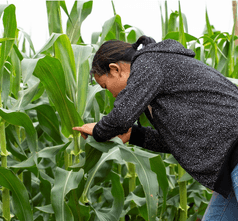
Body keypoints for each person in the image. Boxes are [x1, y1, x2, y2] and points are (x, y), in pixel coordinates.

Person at [72, 35, 238, 220]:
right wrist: (133, 135)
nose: (110, 94)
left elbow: (120, 117)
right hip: (230, 162)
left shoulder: (148, 63)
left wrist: (98, 131)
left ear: (115, 69)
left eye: (105, 86)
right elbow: (176, 142)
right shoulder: (155, 75)